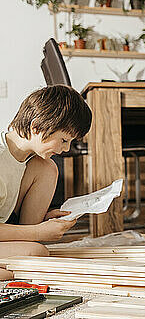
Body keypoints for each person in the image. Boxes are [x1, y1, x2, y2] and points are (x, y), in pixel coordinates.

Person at [0, 85, 92, 279]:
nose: (66, 149)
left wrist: (44, 223)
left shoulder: (28, 160)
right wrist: (37, 232)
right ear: (37, 127)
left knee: (47, 167)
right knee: (37, 254)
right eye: (64, 140)